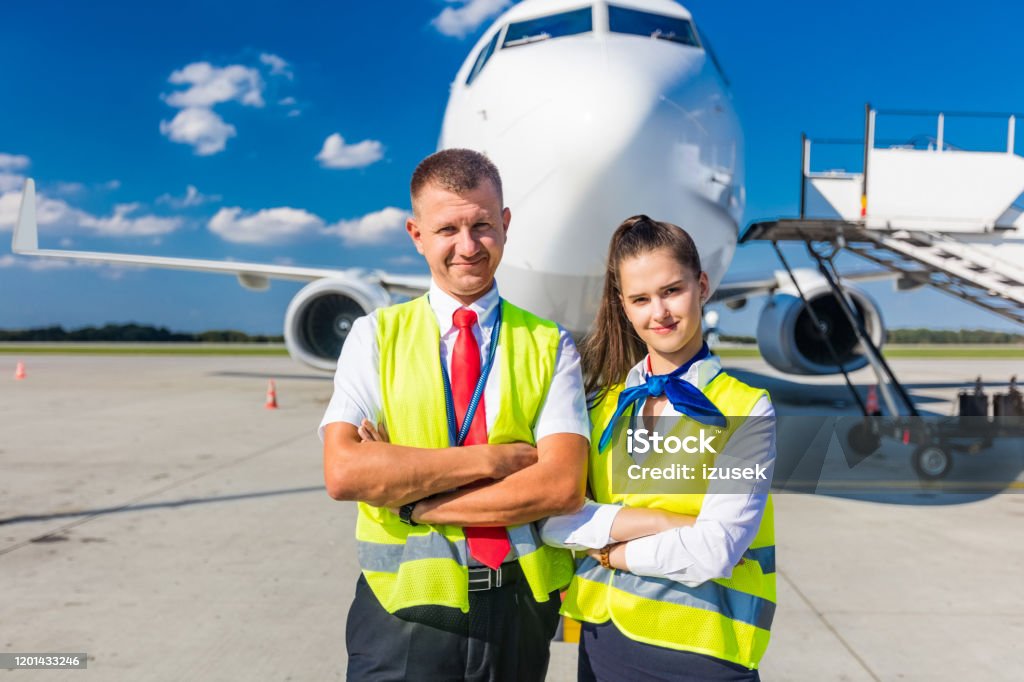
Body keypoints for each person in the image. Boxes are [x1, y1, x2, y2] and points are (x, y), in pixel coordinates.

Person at [318, 148, 590, 681]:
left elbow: (560, 487)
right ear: (416, 234)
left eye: (482, 226)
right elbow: (346, 472)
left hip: (517, 608)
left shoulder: (549, 344)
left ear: (505, 225)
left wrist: (416, 500)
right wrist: (496, 460)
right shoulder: (376, 336)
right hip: (401, 609)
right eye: (447, 229)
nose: (467, 247)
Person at [541, 215, 777, 681]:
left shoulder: (747, 408)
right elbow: (551, 520)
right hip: (600, 644)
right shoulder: (599, 408)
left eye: (672, 291)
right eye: (640, 299)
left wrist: (610, 551)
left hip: (702, 653)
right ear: (624, 308)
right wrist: (666, 524)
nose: (659, 313)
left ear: (702, 285)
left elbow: (714, 550)